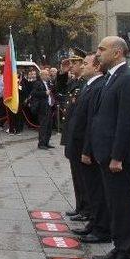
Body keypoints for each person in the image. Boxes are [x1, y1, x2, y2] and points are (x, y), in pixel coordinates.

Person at [88, 37, 130, 259]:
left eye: (102, 49)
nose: (98, 53)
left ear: (117, 53)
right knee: (114, 204)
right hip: (106, 153)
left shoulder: (128, 79)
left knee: (123, 204)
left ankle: (128, 253)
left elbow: (126, 121)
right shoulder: (113, 77)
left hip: (118, 156)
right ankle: (119, 248)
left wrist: (118, 156)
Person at [64, 53, 110, 244]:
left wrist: (86, 149)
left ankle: (100, 227)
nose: (82, 66)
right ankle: (94, 223)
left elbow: (92, 120)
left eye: (85, 63)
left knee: (96, 190)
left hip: (87, 145)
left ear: (97, 67)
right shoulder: (87, 85)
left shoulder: (98, 86)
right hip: (79, 143)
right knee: (89, 188)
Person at [57, 52, 90, 221]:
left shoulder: (85, 83)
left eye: (74, 63)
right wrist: (62, 72)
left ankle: (86, 209)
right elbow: (61, 90)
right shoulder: (75, 82)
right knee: (76, 174)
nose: (72, 66)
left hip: (80, 136)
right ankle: (80, 206)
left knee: (82, 176)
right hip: (72, 134)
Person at [31, 69, 55, 149]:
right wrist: (44, 93)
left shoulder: (48, 83)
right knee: (43, 126)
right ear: (42, 75)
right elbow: (34, 93)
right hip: (42, 107)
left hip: (49, 106)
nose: (48, 76)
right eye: (46, 74)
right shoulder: (37, 83)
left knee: (49, 125)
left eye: (48, 74)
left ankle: (46, 142)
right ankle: (41, 143)